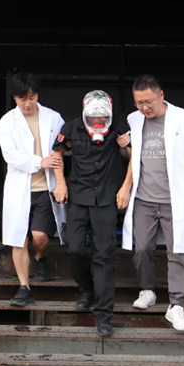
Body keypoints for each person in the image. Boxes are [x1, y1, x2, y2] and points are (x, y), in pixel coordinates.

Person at [118, 75, 184, 332]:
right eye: (139, 103)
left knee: (178, 251)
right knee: (141, 248)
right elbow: (130, 157)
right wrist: (123, 146)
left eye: (148, 102)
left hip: (175, 198)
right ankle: (147, 290)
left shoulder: (182, 118)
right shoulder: (133, 120)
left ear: (161, 95)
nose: (144, 108)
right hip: (144, 197)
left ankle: (176, 304)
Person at [51, 91, 131, 336]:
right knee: (75, 248)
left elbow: (135, 158)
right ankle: (88, 289)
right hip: (78, 196)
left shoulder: (120, 126)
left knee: (103, 255)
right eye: (93, 118)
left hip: (106, 198)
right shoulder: (72, 126)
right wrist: (60, 184)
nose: (97, 122)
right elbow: (57, 154)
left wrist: (125, 187)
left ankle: (104, 314)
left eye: (102, 118)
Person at [0, 73, 66, 307]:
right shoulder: (7, 122)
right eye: (22, 98)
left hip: (45, 187)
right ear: (14, 97)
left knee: (40, 237)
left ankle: (40, 257)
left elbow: (62, 149)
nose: (27, 103)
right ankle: (24, 287)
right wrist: (39, 162)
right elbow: (11, 155)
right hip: (20, 188)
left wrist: (60, 180)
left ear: (37, 95)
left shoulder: (53, 117)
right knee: (19, 240)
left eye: (32, 97)